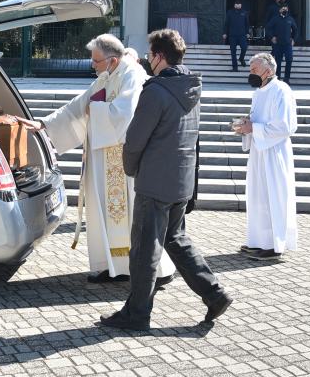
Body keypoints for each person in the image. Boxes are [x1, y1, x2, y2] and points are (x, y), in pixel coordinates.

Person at [99, 29, 232, 331]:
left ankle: (137, 314)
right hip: (180, 180)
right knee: (176, 240)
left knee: (145, 250)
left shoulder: (156, 90)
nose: (147, 59)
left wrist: (131, 169)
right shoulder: (191, 87)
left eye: (149, 54)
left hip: (155, 181)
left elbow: (134, 140)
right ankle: (215, 294)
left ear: (159, 57)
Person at [17, 34, 176, 284]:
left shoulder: (131, 75)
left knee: (133, 215)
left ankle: (152, 269)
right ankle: (114, 265)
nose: (93, 65)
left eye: (96, 61)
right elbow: (77, 107)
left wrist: (97, 110)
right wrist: (43, 124)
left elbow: (126, 115)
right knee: (104, 213)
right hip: (103, 160)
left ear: (112, 60)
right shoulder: (107, 76)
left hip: (123, 162)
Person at [234, 52, 298, 261]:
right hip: (259, 152)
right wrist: (246, 126)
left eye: (254, 69)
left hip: (274, 152)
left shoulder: (281, 90)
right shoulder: (259, 92)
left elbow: (285, 126)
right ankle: (258, 241)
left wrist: (255, 127)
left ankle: (274, 245)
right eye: (250, 69)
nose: (250, 73)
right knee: (257, 196)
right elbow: (257, 121)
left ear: (268, 70)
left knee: (273, 196)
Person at [265, 5, 298, 84]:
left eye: (286, 8)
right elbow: (268, 28)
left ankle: (286, 78)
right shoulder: (275, 19)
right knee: (278, 62)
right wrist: (272, 37)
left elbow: (295, 30)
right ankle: (278, 77)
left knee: (289, 60)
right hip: (278, 44)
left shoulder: (290, 19)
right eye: (283, 8)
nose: (284, 9)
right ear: (280, 10)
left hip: (287, 44)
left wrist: (294, 39)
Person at [223, 0, 249, 72]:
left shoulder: (244, 12)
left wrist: (247, 32)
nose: (238, 5)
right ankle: (235, 68)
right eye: (236, 4)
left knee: (244, 47)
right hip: (232, 35)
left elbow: (247, 24)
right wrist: (225, 33)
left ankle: (241, 58)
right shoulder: (230, 12)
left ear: (241, 5)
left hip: (242, 35)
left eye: (239, 4)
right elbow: (226, 24)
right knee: (233, 52)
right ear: (234, 5)